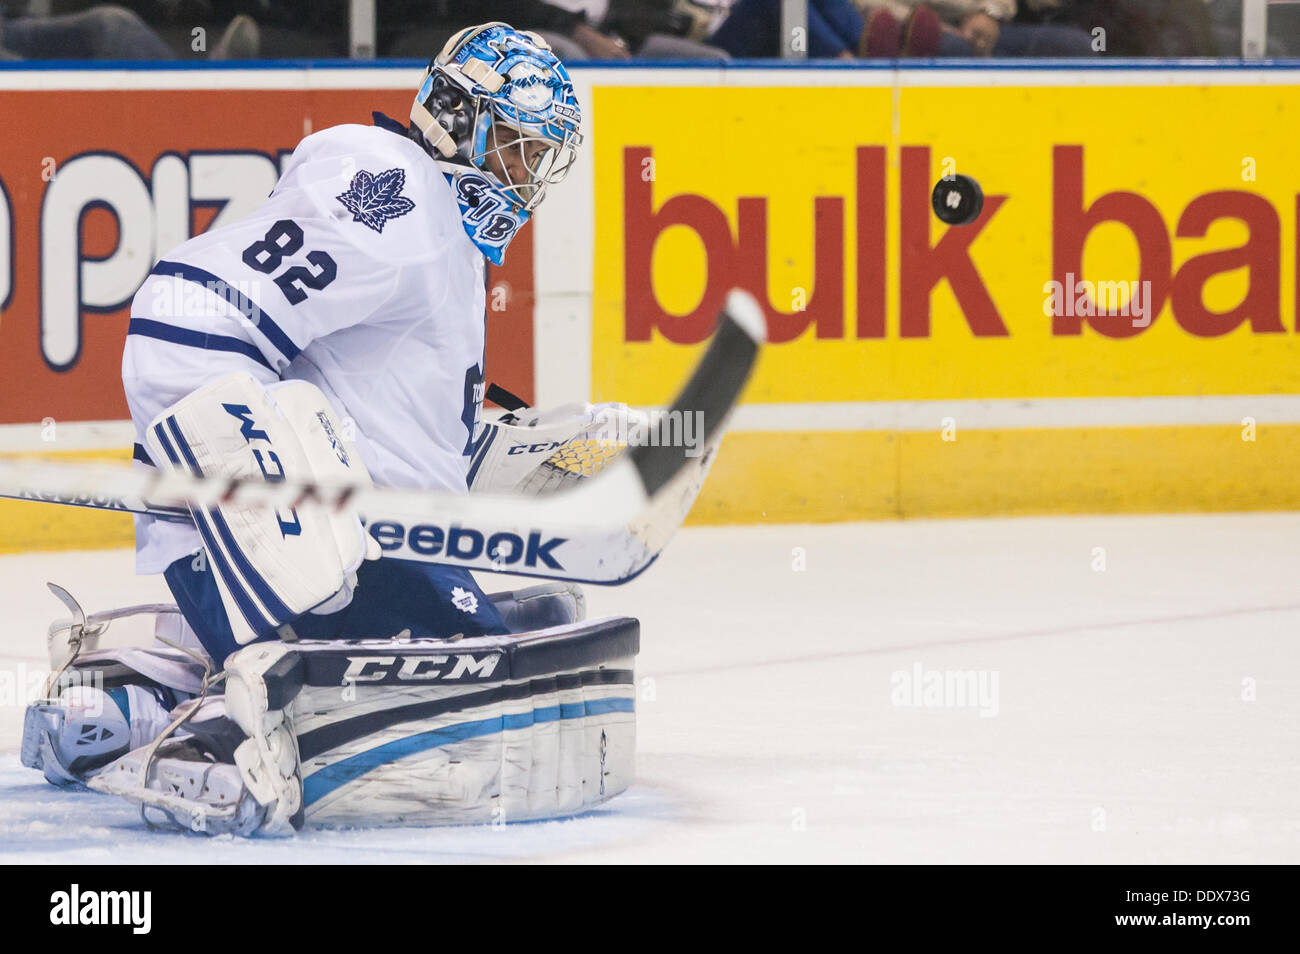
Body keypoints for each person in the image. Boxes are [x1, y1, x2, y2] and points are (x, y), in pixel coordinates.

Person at [23, 23, 585, 794]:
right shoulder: (399, 195)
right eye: (519, 147)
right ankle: (232, 726)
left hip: (354, 553)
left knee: (536, 641)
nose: (527, 177)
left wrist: (504, 457)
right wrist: (261, 512)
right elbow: (180, 315)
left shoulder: (435, 229)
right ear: (461, 120)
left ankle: (128, 704)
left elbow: (376, 415)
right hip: (332, 559)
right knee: (496, 714)